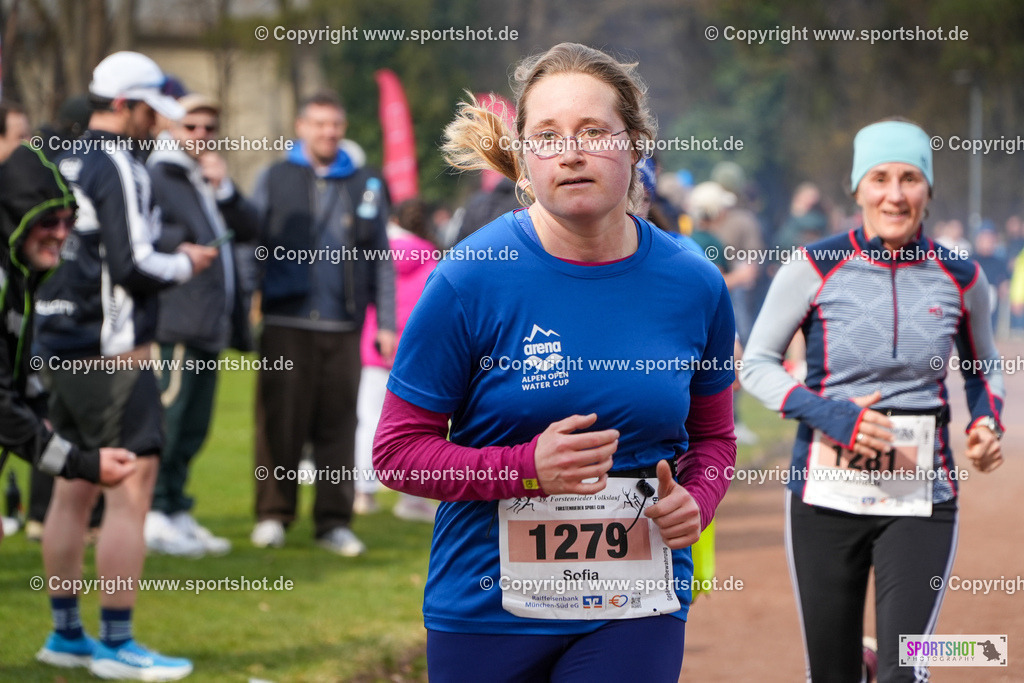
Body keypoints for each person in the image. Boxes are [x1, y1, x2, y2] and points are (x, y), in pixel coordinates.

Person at [373, 42, 736, 682]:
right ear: (523, 157)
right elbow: (397, 452)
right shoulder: (469, 280)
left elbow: (713, 438)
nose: (570, 152)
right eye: (547, 137)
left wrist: (698, 500)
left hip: (635, 606)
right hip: (487, 608)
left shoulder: (693, 284)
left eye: (594, 132)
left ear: (636, 144)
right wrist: (526, 469)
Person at [740, 119, 1004, 683]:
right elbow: (755, 364)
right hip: (825, 494)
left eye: (910, 178)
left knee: (903, 671)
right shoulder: (812, 266)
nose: (895, 193)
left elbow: (984, 371)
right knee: (830, 674)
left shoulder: (962, 277)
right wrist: (833, 413)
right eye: (880, 178)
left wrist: (986, 422)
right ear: (856, 187)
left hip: (922, 496)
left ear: (928, 190)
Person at [33, 51, 217, 680]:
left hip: (53, 340)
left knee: (72, 485)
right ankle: (117, 643)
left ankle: (66, 634)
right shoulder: (120, 163)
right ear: (126, 105)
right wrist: (189, 262)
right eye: (150, 111)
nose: (156, 123)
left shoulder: (57, 153)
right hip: (110, 353)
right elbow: (136, 262)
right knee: (130, 489)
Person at [251, 90, 396, 555]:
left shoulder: (365, 182)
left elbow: (382, 259)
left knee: (339, 426)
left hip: (344, 324)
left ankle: (334, 521)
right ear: (301, 126)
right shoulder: (275, 177)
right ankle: (273, 515)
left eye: (335, 124)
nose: (327, 132)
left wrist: (387, 321)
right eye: (318, 124)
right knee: (279, 423)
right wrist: (247, 302)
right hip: (285, 319)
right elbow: (250, 241)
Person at [0, 144, 136, 545]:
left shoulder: (19, 277)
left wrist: (42, 414)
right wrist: (84, 464)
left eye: (68, 221)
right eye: (48, 222)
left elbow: (19, 385)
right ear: (15, 221)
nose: (61, 234)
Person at [145, 93, 258, 557]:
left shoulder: (202, 177)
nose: (201, 137)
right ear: (172, 127)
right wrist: (185, 243)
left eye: (209, 128)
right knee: (167, 424)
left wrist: (226, 189)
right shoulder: (157, 174)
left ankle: (176, 508)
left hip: (208, 327)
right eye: (191, 127)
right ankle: (153, 512)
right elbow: (144, 234)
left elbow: (252, 227)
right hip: (174, 324)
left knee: (193, 427)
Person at [353, 198, 438, 521]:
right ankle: (412, 498)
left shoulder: (376, 254)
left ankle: (364, 493)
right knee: (418, 427)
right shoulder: (431, 257)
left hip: (375, 345)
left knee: (368, 421)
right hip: (414, 353)